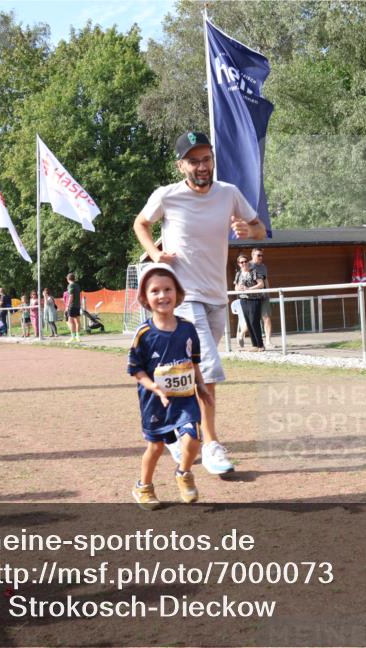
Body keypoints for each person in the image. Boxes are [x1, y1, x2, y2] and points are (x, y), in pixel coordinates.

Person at [133, 130, 266, 476]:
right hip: (184, 294)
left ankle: (176, 432)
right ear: (181, 165)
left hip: (216, 296)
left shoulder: (229, 193)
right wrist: (155, 255)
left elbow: (260, 230)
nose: (202, 166)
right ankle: (211, 444)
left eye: (206, 159)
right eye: (194, 161)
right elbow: (141, 223)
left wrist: (248, 231)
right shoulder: (167, 196)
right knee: (208, 366)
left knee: (190, 370)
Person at [127, 263, 211, 509]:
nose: (162, 295)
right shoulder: (144, 333)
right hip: (154, 402)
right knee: (155, 446)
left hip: (184, 398)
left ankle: (183, 473)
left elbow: (193, 361)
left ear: (178, 293)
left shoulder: (187, 328)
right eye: (155, 291)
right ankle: (143, 486)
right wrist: (154, 388)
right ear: (145, 298)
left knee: (194, 436)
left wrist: (201, 386)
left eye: (168, 289)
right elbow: (136, 370)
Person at [234, 253, 265, 350]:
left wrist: (249, 289)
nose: (244, 263)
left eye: (245, 261)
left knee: (254, 321)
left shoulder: (254, 272)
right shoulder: (238, 274)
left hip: (254, 299)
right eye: (241, 262)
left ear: (248, 262)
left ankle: (260, 345)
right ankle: (254, 345)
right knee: (248, 322)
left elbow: (261, 284)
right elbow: (236, 287)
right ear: (239, 264)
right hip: (243, 300)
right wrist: (238, 288)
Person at [249, 248, 273, 347]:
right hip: (252, 297)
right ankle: (242, 335)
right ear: (252, 255)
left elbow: (265, 280)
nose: (261, 257)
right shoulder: (247, 265)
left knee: (267, 318)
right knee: (252, 320)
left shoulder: (263, 266)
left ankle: (268, 341)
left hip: (264, 296)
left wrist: (268, 292)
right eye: (258, 255)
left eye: (262, 255)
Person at [65, 273, 82, 343]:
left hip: (72, 306)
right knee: (77, 321)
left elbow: (71, 296)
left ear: (68, 279)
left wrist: (67, 306)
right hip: (77, 305)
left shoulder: (70, 285)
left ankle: (73, 337)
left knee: (70, 321)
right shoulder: (77, 285)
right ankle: (78, 337)